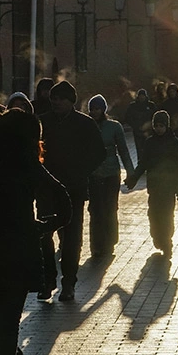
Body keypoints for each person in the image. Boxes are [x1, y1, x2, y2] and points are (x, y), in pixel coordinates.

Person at [0, 109, 70, 355]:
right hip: (19, 248)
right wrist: (47, 226)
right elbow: (63, 199)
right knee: (10, 315)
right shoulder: (28, 165)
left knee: (1, 314)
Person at [37, 80, 106, 302]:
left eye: (60, 99)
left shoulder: (84, 124)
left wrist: (80, 171)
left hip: (73, 190)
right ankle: (47, 281)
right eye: (53, 98)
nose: (55, 102)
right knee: (44, 235)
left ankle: (68, 283)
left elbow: (99, 153)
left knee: (72, 237)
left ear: (70, 101)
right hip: (47, 188)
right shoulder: (44, 122)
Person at [124, 111, 178, 259]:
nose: (159, 129)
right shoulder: (150, 142)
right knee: (153, 214)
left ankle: (166, 240)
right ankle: (158, 237)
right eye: (156, 126)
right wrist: (133, 178)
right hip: (154, 186)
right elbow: (143, 163)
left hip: (169, 187)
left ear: (167, 126)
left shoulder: (174, 142)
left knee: (166, 215)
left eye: (161, 126)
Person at [87, 94, 134, 260]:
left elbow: (123, 150)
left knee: (110, 207)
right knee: (95, 209)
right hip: (93, 174)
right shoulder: (87, 126)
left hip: (111, 173)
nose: (94, 112)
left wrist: (130, 172)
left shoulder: (114, 127)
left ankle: (110, 240)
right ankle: (96, 245)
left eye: (97, 109)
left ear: (103, 109)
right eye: (92, 109)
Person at [123, 88, 155, 156]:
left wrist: (150, 125)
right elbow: (128, 118)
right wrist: (136, 126)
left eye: (143, 96)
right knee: (140, 151)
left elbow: (155, 116)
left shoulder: (151, 105)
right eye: (140, 96)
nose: (141, 97)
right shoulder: (133, 106)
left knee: (150, 150)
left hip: (149, 131)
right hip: (138, 131)